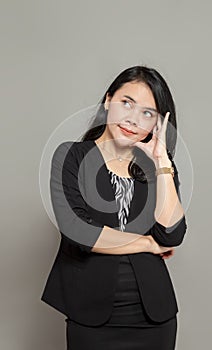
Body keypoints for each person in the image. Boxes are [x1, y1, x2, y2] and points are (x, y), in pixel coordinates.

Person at [41, 65, 187, 350]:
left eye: (147, 113)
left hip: (154, 317)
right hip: (90, 313)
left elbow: (171, 235)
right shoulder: (71, 156)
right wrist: (146, 243)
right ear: (108, 101)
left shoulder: (158, 167)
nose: (133, 119)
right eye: (126, 104)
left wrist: (162, 163)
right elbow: (79, 232)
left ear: (157, 123)